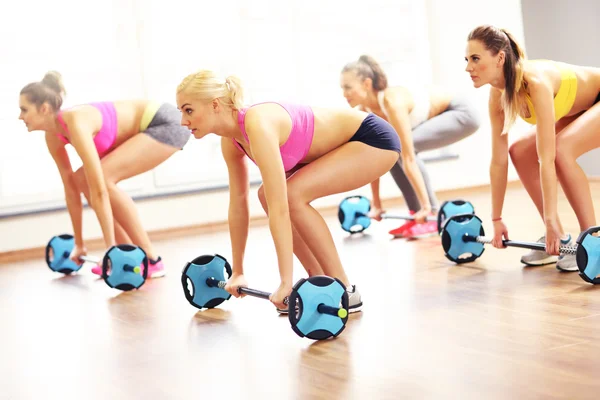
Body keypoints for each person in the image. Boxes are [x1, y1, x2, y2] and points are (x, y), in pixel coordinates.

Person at [176, 69, 401, 313]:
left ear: (215, 105)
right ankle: (318, 282)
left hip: (372, 140)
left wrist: (285, 282)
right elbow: (238, 204)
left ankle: (344, 288)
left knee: (291, 195)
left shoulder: (258, 124)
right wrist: (238, 272)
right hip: (347, 146)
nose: (183, 121)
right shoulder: (231, 141)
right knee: (266, 195)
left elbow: (281, 206)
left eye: (188, 110)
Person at [19, 71, 191, 278]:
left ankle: (151, 259)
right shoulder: (53, 137)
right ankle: (128, 253)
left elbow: (99, 189)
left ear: (44, 108)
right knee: (81, 178)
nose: (20, 116)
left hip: (164, 122)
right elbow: (71, 190)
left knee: (104, 179)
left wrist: (109, 249)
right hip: (149, 128)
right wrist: (80, 244)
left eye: (24, 109)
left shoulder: (75, 122)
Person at [464, 25, 600, 271]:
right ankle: (559, 236)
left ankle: (593, 242)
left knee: (560, 150)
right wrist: (496, 219)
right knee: (518, 150)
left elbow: (546, 159)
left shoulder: (534, 82)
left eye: (475, 59)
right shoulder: (497, 96)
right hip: (579, 109)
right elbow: (498, 161)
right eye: (466, 60)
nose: (468, 68)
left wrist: (547, 219)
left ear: (500, 58)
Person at [340, 55, 481, 239]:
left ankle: (430, 212)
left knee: (404, 149)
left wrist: (427, 208)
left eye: (348, 87)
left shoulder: (391, 101)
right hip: (443, 116)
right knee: (390, 153)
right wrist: (376, 203)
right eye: (342, 88)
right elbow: (373, 159)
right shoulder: (365, 113)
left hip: (461, 112)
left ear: (367, 84)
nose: (344, 93)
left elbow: (408, 157)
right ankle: (416, 215)